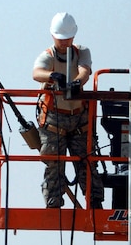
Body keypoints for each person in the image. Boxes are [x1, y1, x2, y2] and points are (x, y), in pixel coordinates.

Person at [33, 12, 104, 209]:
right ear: (53, 36)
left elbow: (84, 70)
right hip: (54, 121)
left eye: (68, 38)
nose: (64, 42)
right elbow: (36, 73)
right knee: (53, 162)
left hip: (79, 119)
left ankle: (94, 201)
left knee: (87, 162)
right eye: (61, 38)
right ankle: (53, 202)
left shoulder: (82, 52)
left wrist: (77, 82)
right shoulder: (47, 56)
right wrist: (52, 76)